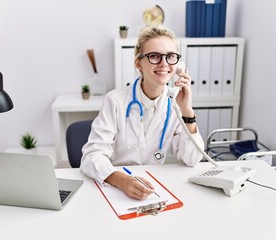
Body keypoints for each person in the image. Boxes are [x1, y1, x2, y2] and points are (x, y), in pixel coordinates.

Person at [80, 25, 204, 200]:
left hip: (153, 189)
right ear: (138, 63)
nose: (164, 63)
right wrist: (123, 181)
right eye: (154, 56)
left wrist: (187, 111)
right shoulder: (115, 100)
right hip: (114, 186)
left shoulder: (175, 103)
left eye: (170, 56)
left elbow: (192, 159)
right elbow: (91, 157)